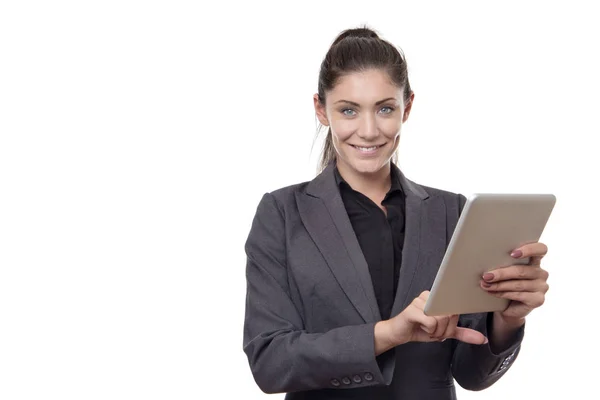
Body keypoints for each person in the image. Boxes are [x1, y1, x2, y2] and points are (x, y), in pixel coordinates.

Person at [242, 27, 550, 400]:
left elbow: (472, 375)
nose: (369, 131)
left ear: (407, 107)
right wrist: (389, 333)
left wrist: (508, 318)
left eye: (385, 108)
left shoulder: (451, 212)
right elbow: (270, 364)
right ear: (321, 110)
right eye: (349, 110)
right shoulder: (283, 213)